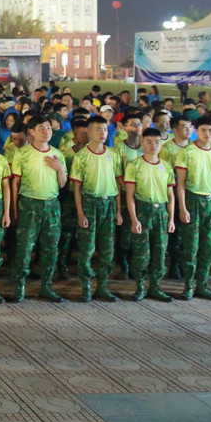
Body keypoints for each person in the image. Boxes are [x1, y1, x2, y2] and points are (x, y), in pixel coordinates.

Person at [10, 117, 68, 303]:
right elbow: (15, 183)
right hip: (29, 203)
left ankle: (47, 286)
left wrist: (60, 169)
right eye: (42, 128)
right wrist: (14, 209)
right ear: (32, 132)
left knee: (50, 248)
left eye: (49, 128)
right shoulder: (22, 153)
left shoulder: (58, 154)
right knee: (25, 247)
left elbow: (62, 184)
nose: (47, 131)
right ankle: (20, 287)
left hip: (51, 204)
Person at [70, 114, 122, 302]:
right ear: (89, 132)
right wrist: (80, 212)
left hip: (108, 203)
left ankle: (102, 286)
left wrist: (118, 210)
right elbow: (77, 188)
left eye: (105, 129)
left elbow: (117, 185)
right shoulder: (81, 156)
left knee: (107, 247)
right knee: (87, 248)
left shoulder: (113, 154)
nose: (103, 133)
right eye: (98, 129)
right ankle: (86, 286)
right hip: (89, 203)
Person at [174, 117, 211, 301]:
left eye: (210, 130)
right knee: (191, 246)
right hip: (192, 200)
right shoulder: (187, 152)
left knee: (209, 247)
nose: (207, 134)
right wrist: (182, 207)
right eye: (203, 130)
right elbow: (180, 183)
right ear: (196, 130)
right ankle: (188, 285)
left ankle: (202, 284)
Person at [124, 127, 176, 302]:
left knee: (160, 251)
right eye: (149, 142)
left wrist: (171, 219)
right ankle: (139, 286)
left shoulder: (166, 166)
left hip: (161, 211)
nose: (153, 145)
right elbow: (129, 195)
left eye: (157, 142)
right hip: (142, 209)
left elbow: (171, 195)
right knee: (141, 252)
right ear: (142, 143)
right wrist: (134, 219)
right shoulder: (135, 165)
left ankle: (155, 286)